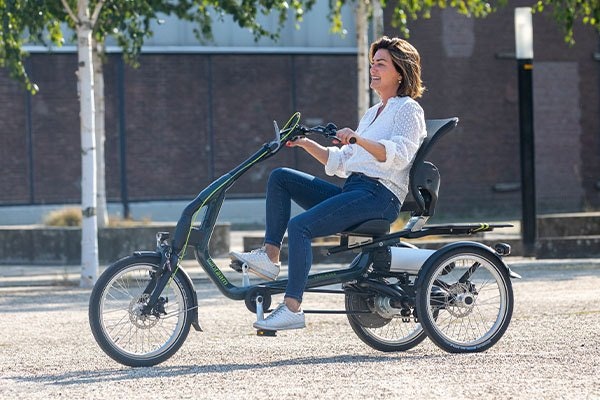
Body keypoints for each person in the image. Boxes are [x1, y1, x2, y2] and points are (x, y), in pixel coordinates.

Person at [230, 36, 427, 331]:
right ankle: (270, 257)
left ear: (400, 71)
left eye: (381, 64)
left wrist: (359, 138)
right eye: (372, 64)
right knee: (281, 177)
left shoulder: (408, 110)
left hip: (379, 196)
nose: (373, 69)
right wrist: (306, 143)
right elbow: (343, 160)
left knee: (300, 227)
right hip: (357, 189)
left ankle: (292, 307)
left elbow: (397, 156)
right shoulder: (374, 113)